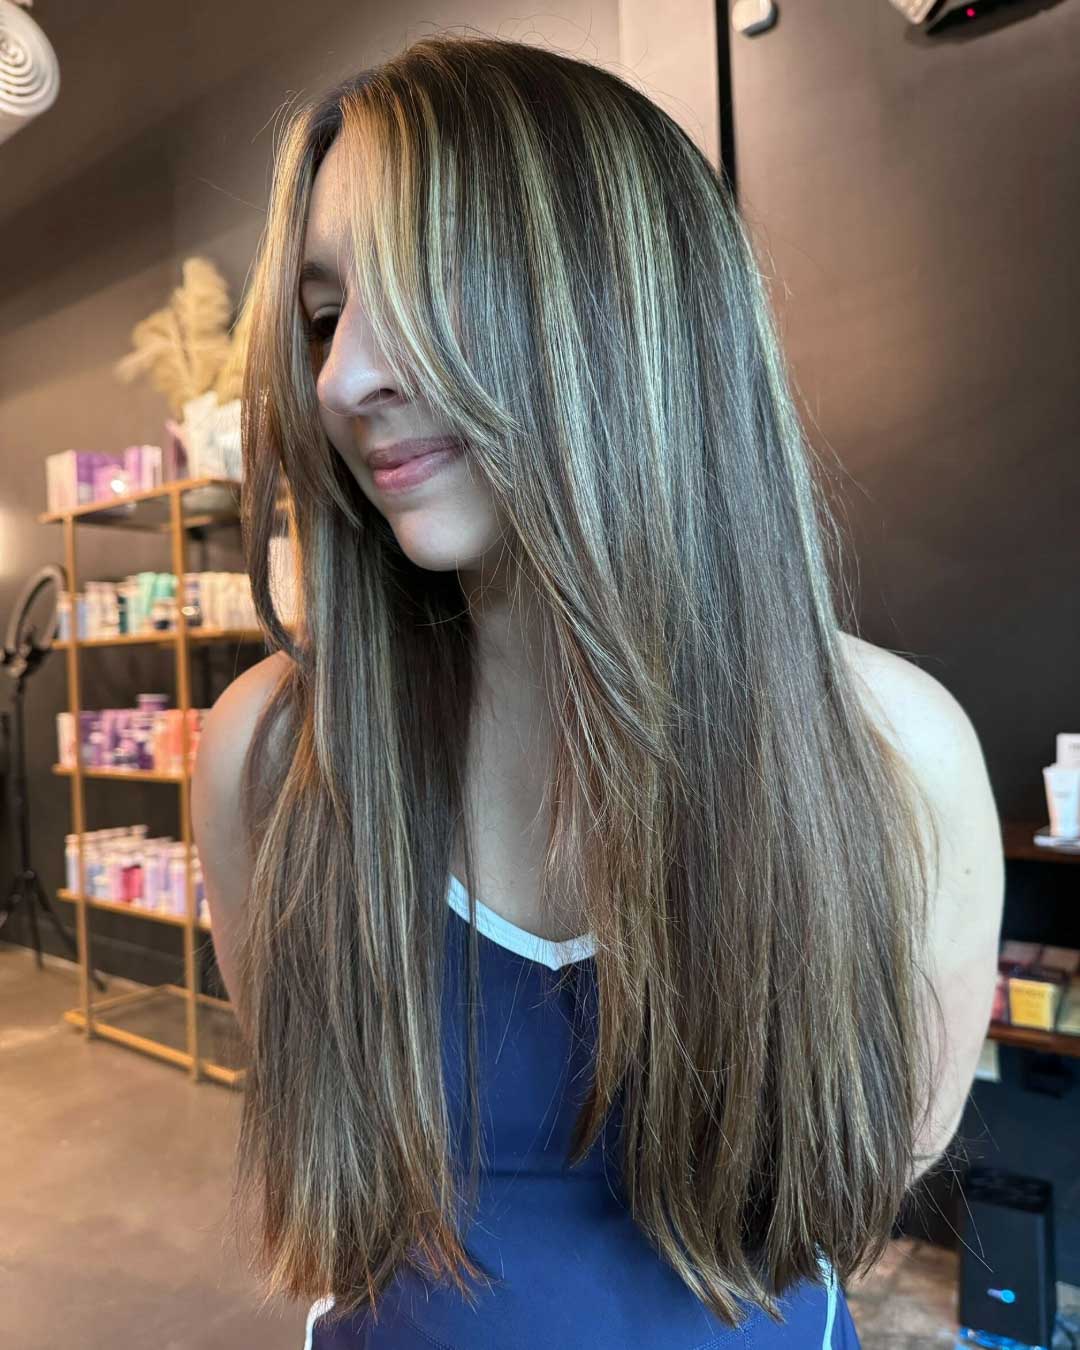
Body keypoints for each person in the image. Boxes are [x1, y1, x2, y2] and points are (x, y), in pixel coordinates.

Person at [191, 33, 1004, 1350]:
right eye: (327, 313)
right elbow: (338, 1166)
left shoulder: (894, 760)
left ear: (631, 308)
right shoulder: (274, 758)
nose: (340, 379)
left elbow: (861, 1182)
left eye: (433, 282)